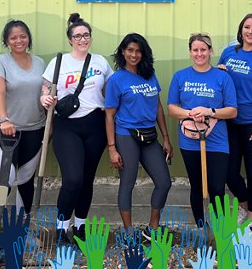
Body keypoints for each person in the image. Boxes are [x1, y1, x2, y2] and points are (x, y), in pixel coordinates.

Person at [40, 13, 113, 243]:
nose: (83, 39)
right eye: (78, 36)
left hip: (94, 124)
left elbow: (110, 91)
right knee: (72, 179)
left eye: (86, 35)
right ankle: (61, 228)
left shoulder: (100, 62)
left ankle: (80, 226)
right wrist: (44, 99)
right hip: (66, 125)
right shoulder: (59, 62)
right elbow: (45, 90)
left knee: (87, 179)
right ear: (70, 39)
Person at [105, 33, 173, 239]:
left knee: (164, 182)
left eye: (138, 51)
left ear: (144, 53)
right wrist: (112, 148)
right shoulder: (116, 79)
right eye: (130, 50)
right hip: (126, 135)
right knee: (128, 182)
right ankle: (128, 232)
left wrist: (166, 137)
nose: (134, 55)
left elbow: (158, 106)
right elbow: (109, 115)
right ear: (123, 52)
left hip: (150, 135)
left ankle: (152, 229)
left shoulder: (149, 74)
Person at [167, 33, 237, 227]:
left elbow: (232, 110)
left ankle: (220, 230)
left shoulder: (222, 77)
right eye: (195, 50)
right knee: (197, 187)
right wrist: (191, 114)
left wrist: (210, 111)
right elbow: (172, 108)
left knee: (216, 188)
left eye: (203, 50)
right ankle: (201, 228)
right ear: (190, 52)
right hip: (190, 140)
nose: (200, 54)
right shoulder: (180, 76)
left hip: (217, 141)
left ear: (210, 51)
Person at [0, 20, 46, 216]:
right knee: (7, 178)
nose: (18, 40)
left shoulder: (39, 62)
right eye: (13, 37)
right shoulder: (0, 61)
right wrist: (4, 119)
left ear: (28, 38)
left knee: (26, 179)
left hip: (35, 129)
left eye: (23, 36)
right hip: (6, 130)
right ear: (7, 41)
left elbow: (44, 93)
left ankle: (22, 228)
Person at [218, 14, 252, 226]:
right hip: (229, 121)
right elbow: (217, 82)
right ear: (241, 31)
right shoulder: (229, 53)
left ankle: (251, 220)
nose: (250, 31)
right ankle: (246, 204)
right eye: (246, 27)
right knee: (229, 172)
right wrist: (218, 70)